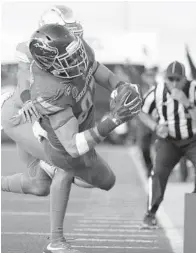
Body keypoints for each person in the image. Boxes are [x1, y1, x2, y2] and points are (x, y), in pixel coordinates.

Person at [1, 24, 142, 253]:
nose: (77, 60)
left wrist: (120, 85)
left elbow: (96, 68)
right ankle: (56, 241)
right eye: (67, 59)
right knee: (66, 164)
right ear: (48, 62)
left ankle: (40, 166)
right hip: (45, 130)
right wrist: (112, 121)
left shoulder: (74, 48)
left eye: (75, 53)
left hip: (63, 124)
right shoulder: (50, 88)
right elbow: (74, 146)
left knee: (102, 181)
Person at [139, 61, 196, 229]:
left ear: (184, 79)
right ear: (165, 78)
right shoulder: (157, 91)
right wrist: (155, 126)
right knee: (158, 173)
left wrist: (187, 103)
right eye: (170, 79)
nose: (173, 83)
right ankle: (150, 213)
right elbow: (141, 111)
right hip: (169, 141)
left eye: (177, 79)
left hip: (194, 138)